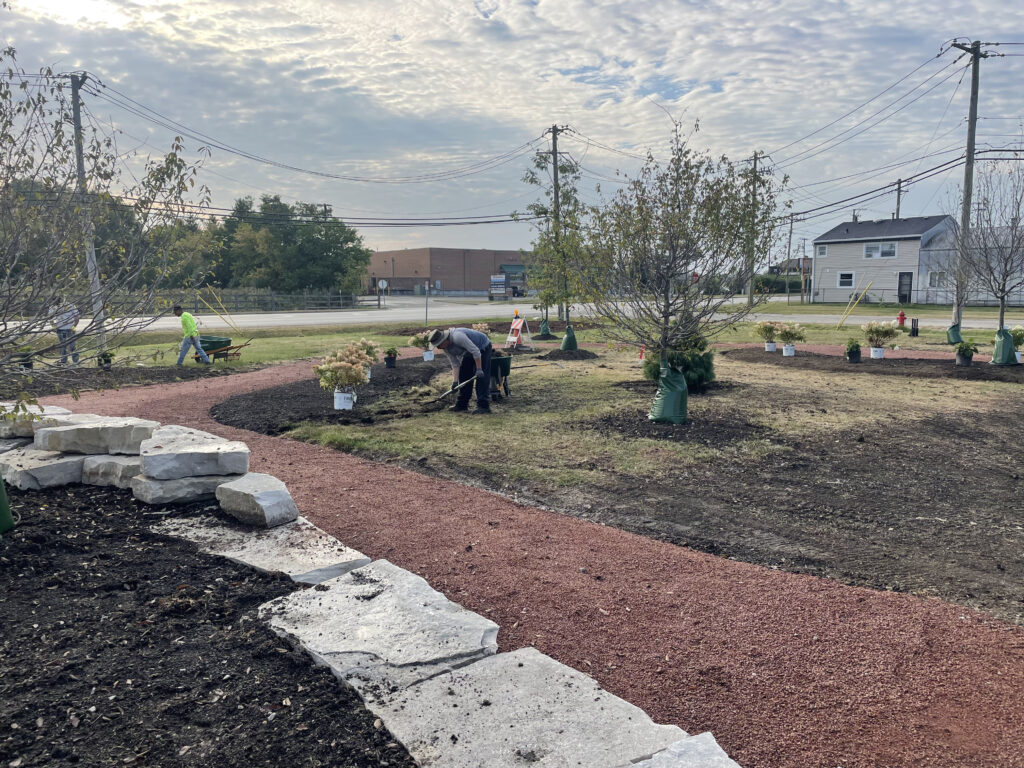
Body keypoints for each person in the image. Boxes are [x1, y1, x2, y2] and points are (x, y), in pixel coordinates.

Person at [428, 327, 492, 414]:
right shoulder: (446, 348)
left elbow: (476, 352)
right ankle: (462, 405)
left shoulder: (458, 337)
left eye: (439, 345)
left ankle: (484, 406)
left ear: (445, 340)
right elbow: (455, 364)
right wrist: (455, 382)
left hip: (482, 347)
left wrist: (479, 369)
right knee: (464, 375)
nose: (438, 348)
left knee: (481, 378)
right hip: (469, 351)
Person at [53, 299, 80, 366]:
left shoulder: (70, 305)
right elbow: (51, 318)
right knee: (64, 346)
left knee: (72, 346)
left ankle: (75, 362)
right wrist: (55, 327)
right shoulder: (54, 307)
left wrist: (73, 327)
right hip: (60, 329)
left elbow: (77, 317)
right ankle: (64, 362)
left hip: (69, 329)